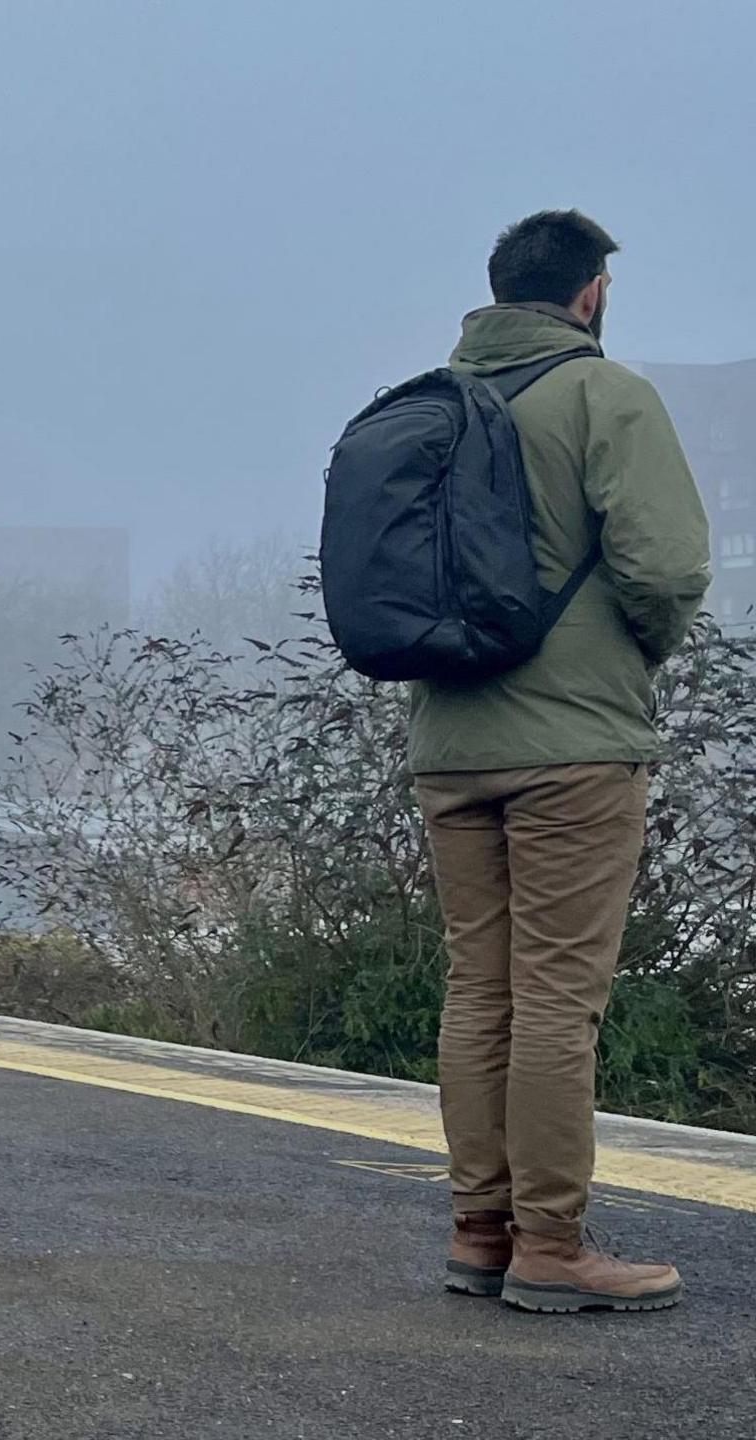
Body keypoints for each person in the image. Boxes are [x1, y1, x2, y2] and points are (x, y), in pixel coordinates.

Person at [413, 212, 708, 1314]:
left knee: (477, 988)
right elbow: (668, 565)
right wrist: (633, 651)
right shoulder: (605, 395)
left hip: (447, 745)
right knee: (554, 1000)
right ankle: (551, 1245)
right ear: (589, 295)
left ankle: (477, 1231)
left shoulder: (438, 405)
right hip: (573, 744)